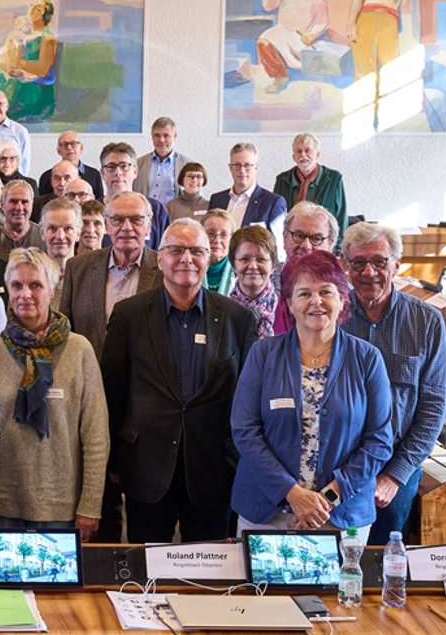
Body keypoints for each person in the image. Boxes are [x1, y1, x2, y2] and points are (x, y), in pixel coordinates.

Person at [102, 219, 258, 542]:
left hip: (214, 470)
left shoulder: (238, 319)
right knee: (147, 573)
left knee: (209, 574)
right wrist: (115, 460)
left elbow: (248, 400)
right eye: (176, 250)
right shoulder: (128, 315)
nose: (186, 258)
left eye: (197, 251)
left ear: (210, 258)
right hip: (146, 467)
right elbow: (113, 392)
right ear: (159, 259)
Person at [231, 251, 393, 533]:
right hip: (268, 512)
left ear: (342, 299)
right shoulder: (263, 353)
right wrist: (294, 495)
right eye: (304, 293)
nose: (315, 302)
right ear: (289, 304)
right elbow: (245, 430)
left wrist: (327, 498)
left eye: (326, 292)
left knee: (344, 580)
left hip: (340, 515)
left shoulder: (367, 358)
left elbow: (379, 441)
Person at [0, 248, 107, 536]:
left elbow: (96, 436)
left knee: (54, 582)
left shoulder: (79, 350)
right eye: (16, 285)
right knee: (3, 583)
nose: (25, 294)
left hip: (61, 507)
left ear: (52, 289)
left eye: (35, 285)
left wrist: (90, 505)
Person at [341, 222, 446, 544]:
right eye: (358, 262)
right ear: (346, 266)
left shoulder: (426, 321)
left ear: (397, 264)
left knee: (381, 567)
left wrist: (393, 476)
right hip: (338, 467)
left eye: (379, 261)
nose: (368, 271)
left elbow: (432, 410)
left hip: (395, 468)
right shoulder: (331, 314)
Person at [55, 191, 163, 361]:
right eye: (117, 220)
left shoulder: (166, 270)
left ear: (148, 225)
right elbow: (65, 332)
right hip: (91, 376)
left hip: (145, 381)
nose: (126, 227)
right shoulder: (77, 268)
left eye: (136, 219)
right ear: (107, 225)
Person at [256, 0, 330, 93]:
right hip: (281, 30)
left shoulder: (319, 0)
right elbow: (269, 5)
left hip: (299, 37)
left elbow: (321, 23)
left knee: (311, 63)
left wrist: (312, 35)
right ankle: (279, 77)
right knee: (263, 42)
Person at [274, 201, 341, 334]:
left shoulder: (343, 292)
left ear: (330, 245)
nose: (305, 246)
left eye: (316, 238)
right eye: (298, 236)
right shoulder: (263, 284)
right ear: (284, 237)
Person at [209, 142, 287, 246]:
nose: (242, 170)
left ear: (256, 167)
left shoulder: (272, 202)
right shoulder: (217, 200)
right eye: (237, 165)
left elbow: (279, 248)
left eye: (247, 165)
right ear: (230, 167)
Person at [273, 134, 348, 242]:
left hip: (322, 243)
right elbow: (277, 218)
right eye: (299, 151)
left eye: (307, 150)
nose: (303, 155)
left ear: (317, 155)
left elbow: (341, 216)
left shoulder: (334, 179)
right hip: (292, 243)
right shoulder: (283, 180)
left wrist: (337, 249)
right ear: (293, 157)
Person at [98, 142, 170, 249]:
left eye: (124, 166)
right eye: (111, 167)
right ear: (102, 173)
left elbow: (167, 250)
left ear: (135, 171)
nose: (118, 172)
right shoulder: (93, 210)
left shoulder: (156, 210)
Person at [229, 226, 280, 340]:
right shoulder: (221, 312)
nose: (253, 266)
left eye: (261, 259)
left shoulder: (289, 311)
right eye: (244, 259)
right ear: (233, 265)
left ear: (273, 265)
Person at [133, 117, 192, 205]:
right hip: (144, 215)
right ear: (152, 136)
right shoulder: (138, 164)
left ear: (175, 136)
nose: (161, 140)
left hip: (173, 216)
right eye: (157, 135)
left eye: (166, 135)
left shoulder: (187, 165)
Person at [39, 197, 82, 310]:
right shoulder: (31, 277)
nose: (60, 236)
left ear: (78, 233)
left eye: (68, 228)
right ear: (42, 233)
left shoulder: (89, 278)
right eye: (52, 228)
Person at [40, 131, 103, 199]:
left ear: (81, 148)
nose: (69, 147)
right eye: (64, 144)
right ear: (59, 151)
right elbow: (42, 202)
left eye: (73, 144)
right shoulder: (47, 176)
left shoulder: (94, 174)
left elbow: (98, 204)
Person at [0, 179, 44, 255]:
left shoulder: (44, 237)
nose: (19, 208)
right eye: (13, 201)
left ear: (32, 205)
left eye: (25, 202)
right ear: (2, 204)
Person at [202, 209, 237, 295]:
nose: (217, 240)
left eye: (224, 234)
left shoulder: (240, 271)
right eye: (210, 233)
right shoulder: (188, 268)